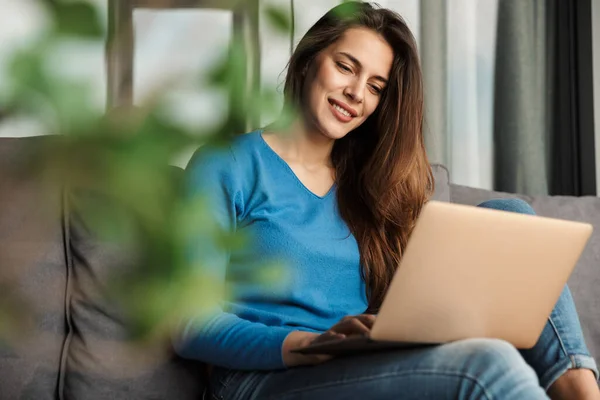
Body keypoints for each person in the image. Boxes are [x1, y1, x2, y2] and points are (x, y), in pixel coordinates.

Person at [174, 2, 599, 399]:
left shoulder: (370, 186)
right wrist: (306, 343)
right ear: (306, 63)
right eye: (345, 67)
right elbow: (189, 322)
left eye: (375, 87)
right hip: (263, 377)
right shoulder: (228, 164)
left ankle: (580, 387)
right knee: (487, 365)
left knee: (514, 218)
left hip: (362, 364)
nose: (357, 93)